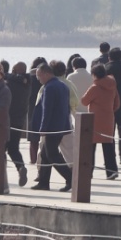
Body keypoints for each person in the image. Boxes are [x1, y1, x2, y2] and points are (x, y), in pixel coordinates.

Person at [30, 63, 73, 191]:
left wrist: (43, 127)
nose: (38, 79)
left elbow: (47, 110)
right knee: (44, 154)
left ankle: (71, 178)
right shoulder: (63, 86)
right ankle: (43, 182)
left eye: (39, 76)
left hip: (52, 127)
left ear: (46, 73)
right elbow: (67, 108)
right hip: (61, 125)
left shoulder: (49, 88)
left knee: (52, 154)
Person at [80, 64, 121, 179]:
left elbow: (84, 101)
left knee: (90, 147)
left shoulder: (95, 87)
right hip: (108, 118)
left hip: (94, 120)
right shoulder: (112, 85)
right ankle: (112, 171)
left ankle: (88, 171)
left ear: (94, 75)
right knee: (108, 146)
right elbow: (117, 103)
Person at [7, 61, 31, 185]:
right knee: (13, 148)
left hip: (6, 120)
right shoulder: (27, 83)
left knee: (0, 148)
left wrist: (5, 75)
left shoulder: (9, 83)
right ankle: (20, 167)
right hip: (19, 120)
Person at [26, 56, 46, 166]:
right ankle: (42, 159)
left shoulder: (29, 77)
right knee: (44, 137)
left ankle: (33, 159)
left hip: (31, 107)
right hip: (43, 106)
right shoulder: (46, 77)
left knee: (33, 137)